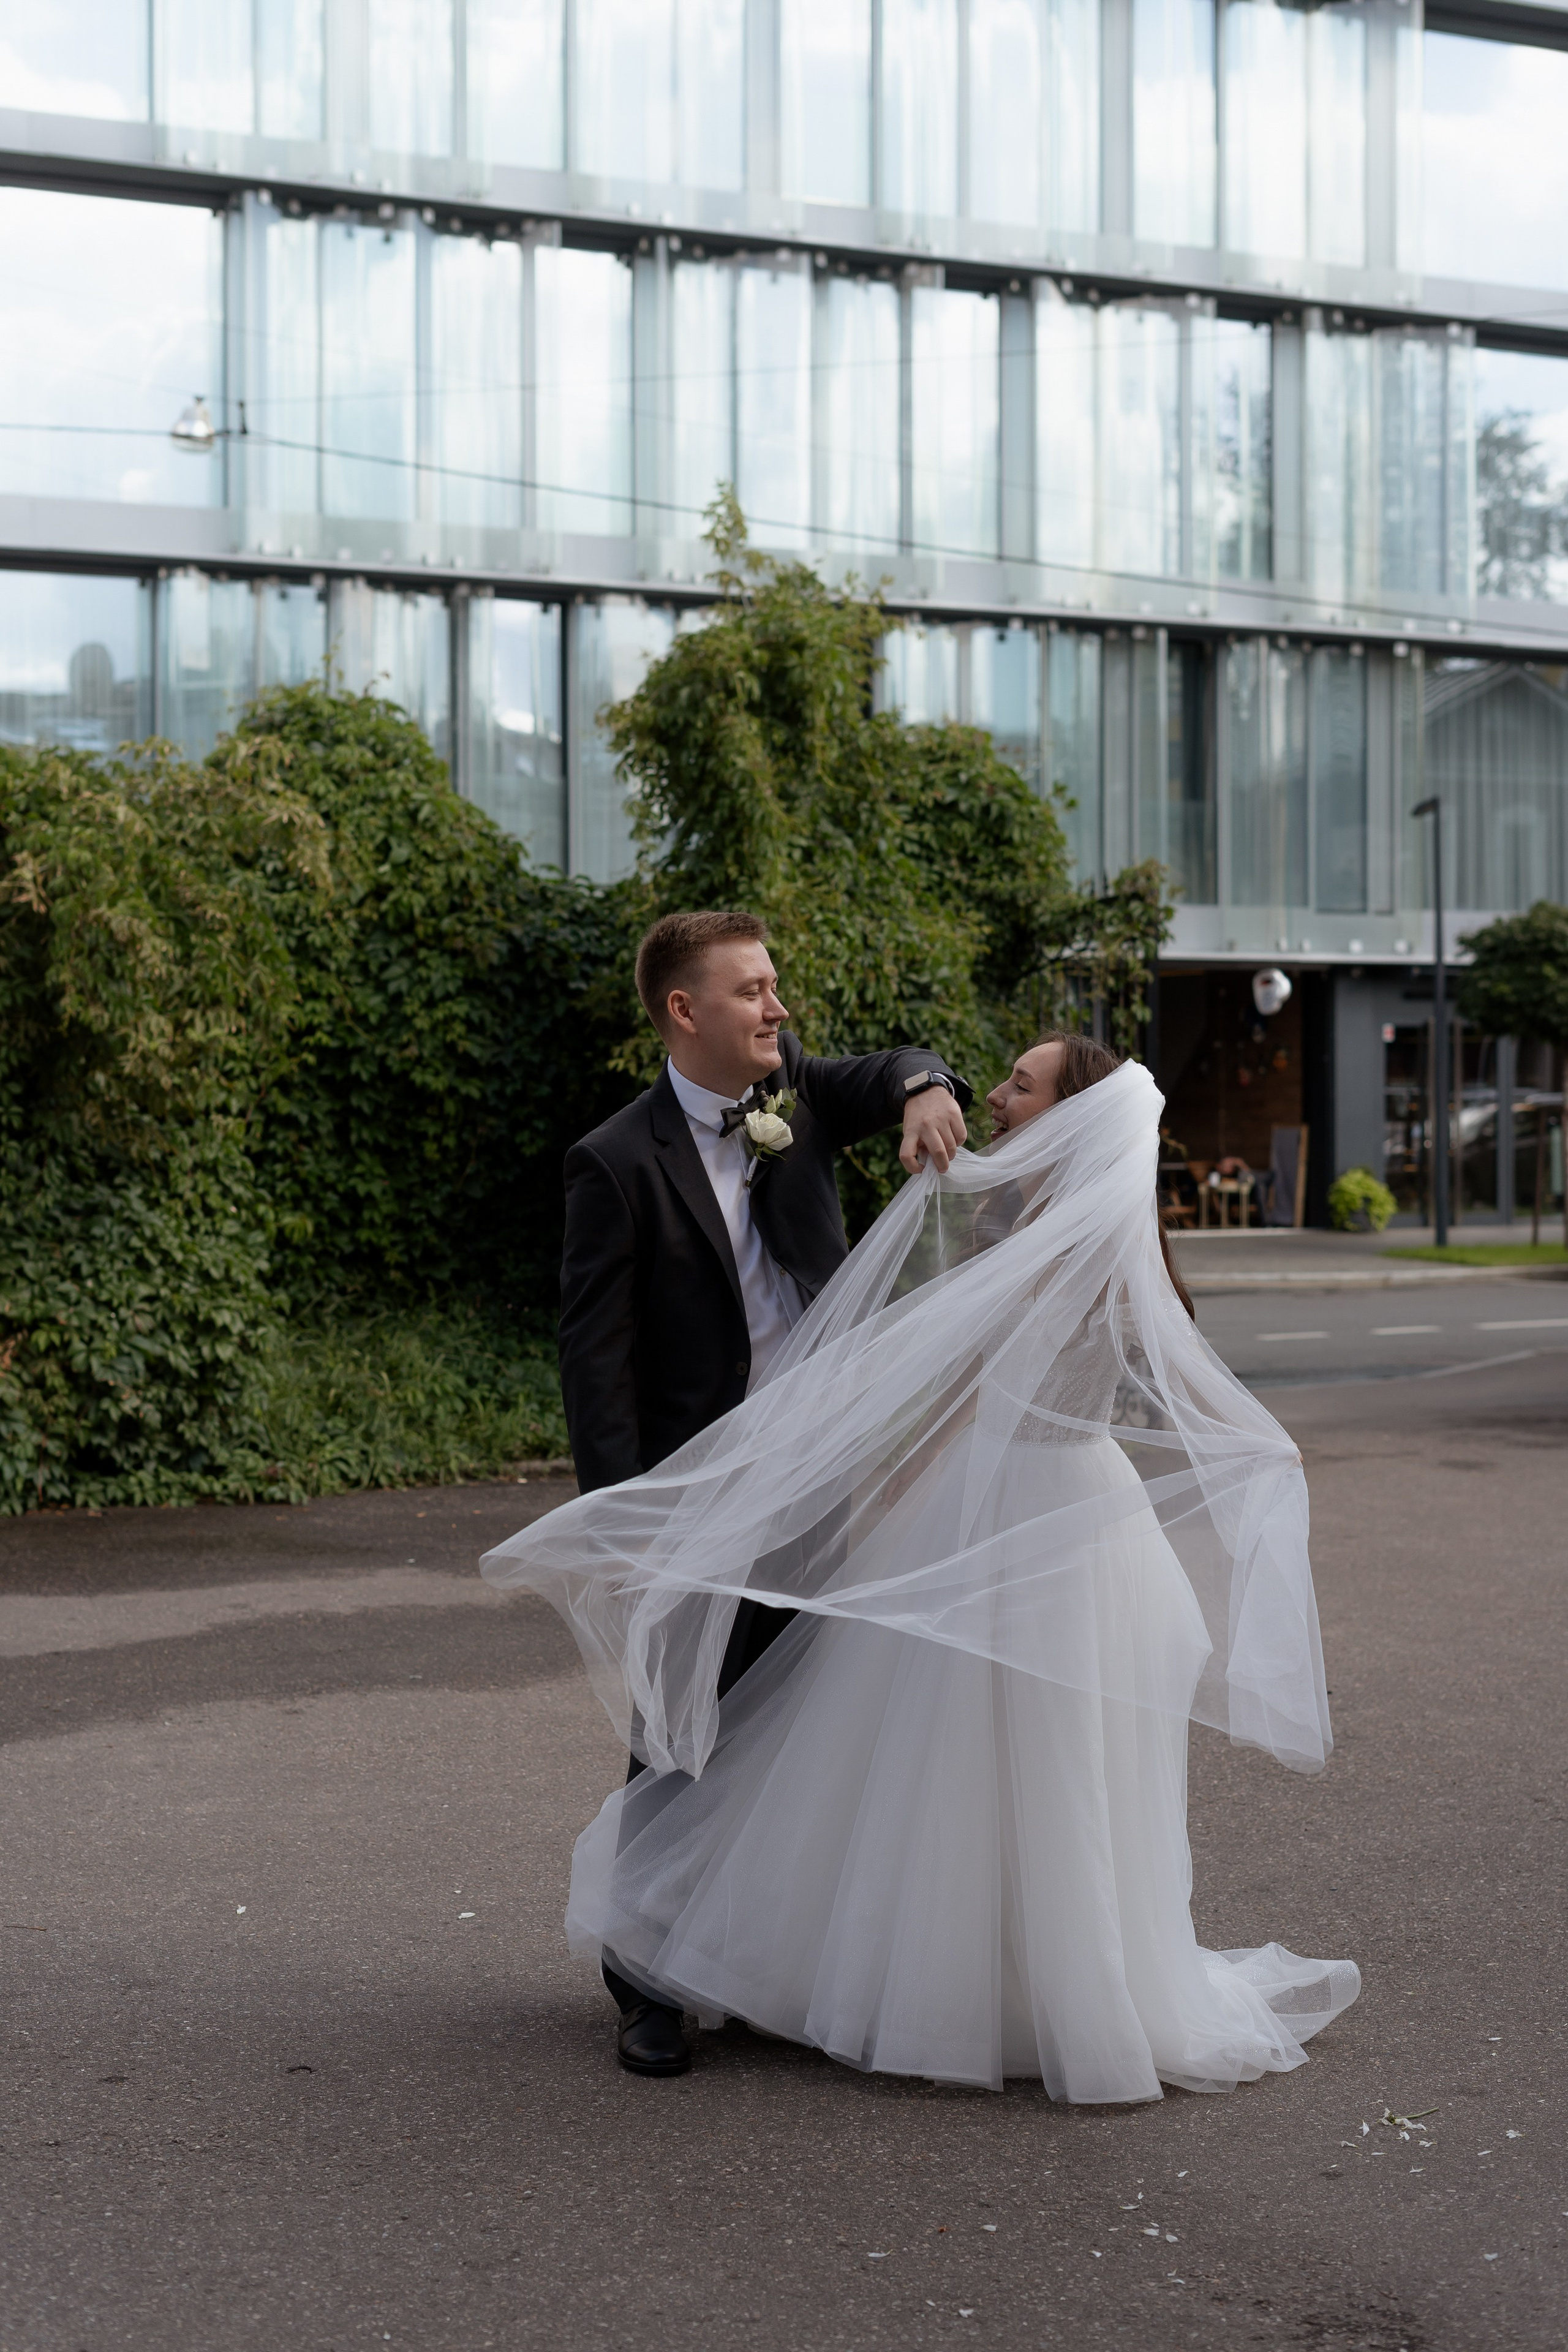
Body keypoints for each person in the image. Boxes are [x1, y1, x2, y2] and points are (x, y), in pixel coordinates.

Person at [486, 1028, 1360, 2101]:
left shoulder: (1098, 1236)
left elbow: (1136, 1374)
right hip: (962, 1498)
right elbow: (971, 1379)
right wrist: (903, 1480)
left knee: (1034, 1755)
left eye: (1021, 1086)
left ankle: (1046, 1986)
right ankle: (694, 1974)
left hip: (1059, 1517)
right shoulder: (998, 1216)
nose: (995, 1095)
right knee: (885, 1738)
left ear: (1073, 1116)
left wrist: (1252, 1447)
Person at [552, 907, 971, 2072]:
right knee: (679, 1731)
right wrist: (625, 1516)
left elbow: (896, 1067)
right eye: (752, 990)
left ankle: (765, 1964)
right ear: (685, 1010)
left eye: (776, 985)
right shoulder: (613, 1160)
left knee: (801, 1725)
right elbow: (596, 1360)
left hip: (823, 1481)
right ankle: (645, 1985)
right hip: (699, 1491)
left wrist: (929, 1087)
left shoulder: (803, 1094)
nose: (777, 1006)